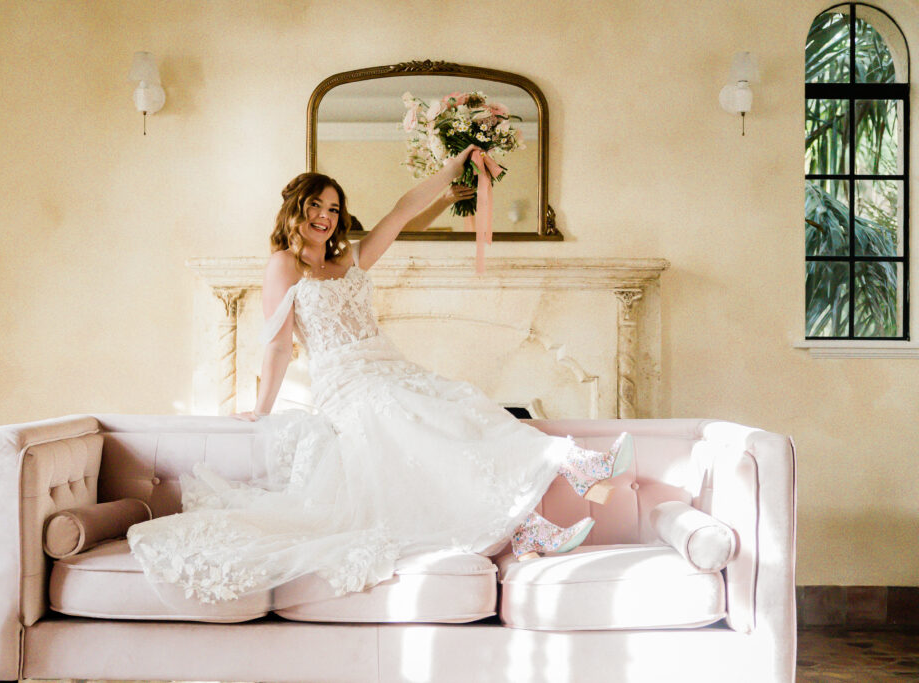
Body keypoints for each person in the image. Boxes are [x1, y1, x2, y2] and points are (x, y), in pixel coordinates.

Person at [128, 145, 633, 605]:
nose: (326, 217)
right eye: (316, 207)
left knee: (463, 406)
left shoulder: (351, 258)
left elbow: (402, 212)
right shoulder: (283, 265)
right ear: (296, 210)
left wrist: (450, 171)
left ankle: (526, 529)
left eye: (333, 209)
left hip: (390, 368)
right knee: (405, 413)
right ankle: (572, 463)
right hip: (347, 385)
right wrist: (260, 410)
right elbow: (278, 344)